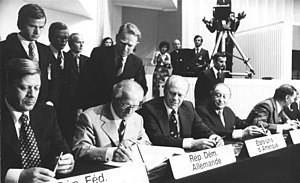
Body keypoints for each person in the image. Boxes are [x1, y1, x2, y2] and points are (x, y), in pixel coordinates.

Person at [1, 58, 74, 183]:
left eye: (37, 88)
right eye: (24, 88)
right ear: (8, 87)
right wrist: (20, 176)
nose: (32, 95)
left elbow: (61, 147)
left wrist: (67, 159)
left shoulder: (47, 113)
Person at [138, 75, 224, 151]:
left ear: (185, 95)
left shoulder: (188, 107)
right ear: (165, 91)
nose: (175, 98)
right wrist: (192, 143)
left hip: (184, 156)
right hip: (161, 155)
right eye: (172, 93)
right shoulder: (149, 108)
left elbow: (201, 127)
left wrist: (214, 137)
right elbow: (157, 138)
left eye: (180, 95)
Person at [73, 79, 150, 162]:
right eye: (125, 106)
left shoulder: (137, 119)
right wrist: (111, 153)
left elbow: (147, 144)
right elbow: (80, 150)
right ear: (114, 99)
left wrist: (131, 143)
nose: (130, 112)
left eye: (135, 106)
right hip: (100, 171)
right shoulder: (89, 117)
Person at [77, 22, 148, 110]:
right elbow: (84, 82)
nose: (125, 49)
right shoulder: (99, 54)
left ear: (136, 44)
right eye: (123, 43)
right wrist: (79, 107)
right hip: (97, 106)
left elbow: (142, 88)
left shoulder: (137, 62)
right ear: (117, 37)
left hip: (122, 110)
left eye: (130, 45)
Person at [0, 4, 59, 106]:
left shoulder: (46, 50)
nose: (37, 32)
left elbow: (54, 80)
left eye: (41, 27)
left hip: (42, 110)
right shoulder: (4, 48)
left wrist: (50, 101)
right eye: (32, 26)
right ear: (20, 24)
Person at [196, 83, 264, 141]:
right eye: (218, 96)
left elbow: (240, 123)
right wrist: (242, 133)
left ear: (229, 99)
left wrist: (258, 129)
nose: (221, 100)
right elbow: (211, 130)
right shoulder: (201, 110)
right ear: (211, 95)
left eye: (224, 97)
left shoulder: (228, 110)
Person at [58, 33, 89, 147]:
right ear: (70, 44)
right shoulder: (63, 58)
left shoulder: (87, 60)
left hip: (83, 102)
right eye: (78, 42)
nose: (81, 45)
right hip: (67, 104)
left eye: (83, 42)